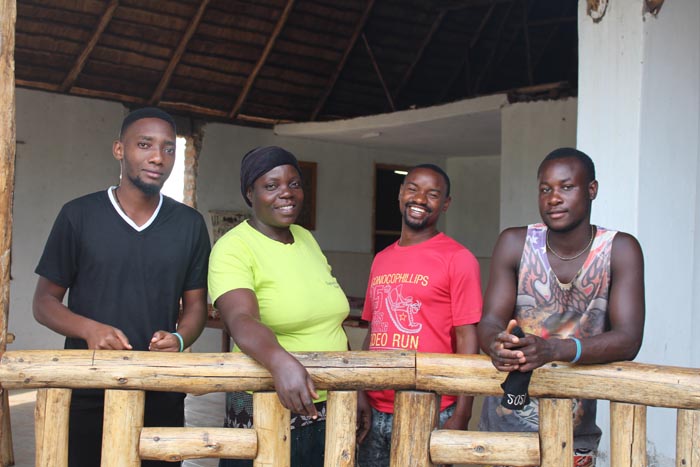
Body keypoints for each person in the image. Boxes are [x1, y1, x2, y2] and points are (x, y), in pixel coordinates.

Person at [32, 107, 211, 467]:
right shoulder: (78, 215)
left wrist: (179, 339)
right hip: (87, 387)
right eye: (144, 145)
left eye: (168, 148)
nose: (158, 157)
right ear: (119, 149)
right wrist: (89, 329)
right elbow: (44, 302)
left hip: (159, 389)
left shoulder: (189, 225)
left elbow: (195, 307)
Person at [477, 147, 645, 467]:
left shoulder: (620, 250)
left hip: (574, 434)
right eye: (545, 189)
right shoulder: (514, 243)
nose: (553, 198)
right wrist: (495, 344)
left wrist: (553, 350)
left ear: (591, 190)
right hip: (504, 427)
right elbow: (489, 322)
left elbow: (629, 339)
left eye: (566, 187)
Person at [208, 146, 349, 467]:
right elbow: (240, 318)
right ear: (250, 193)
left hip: (332, 401)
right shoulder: (234, 247)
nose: (286, 194)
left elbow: (332, 320)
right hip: (267, 403)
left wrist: (355, 386)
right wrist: (280, 362)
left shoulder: (306, 238)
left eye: (294, 184)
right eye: (271, 186)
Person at [357, 164, 483, 467]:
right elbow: (374, 332)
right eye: (413, 189)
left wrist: (463, 412)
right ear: (401, 194)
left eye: (433, 194)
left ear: (446, 204)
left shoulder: (459, 258)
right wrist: (360, 389)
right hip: (375, 409)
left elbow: (468, 338)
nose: (420, 199)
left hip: (433, 408)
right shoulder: (382, 259)